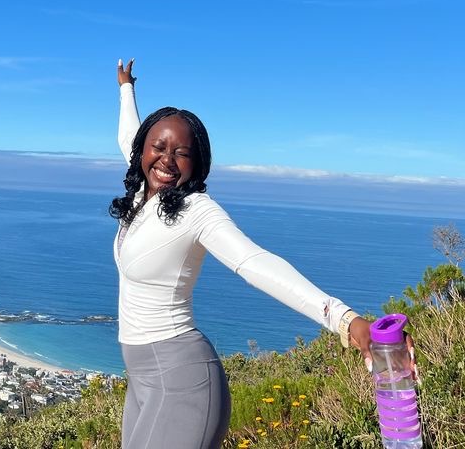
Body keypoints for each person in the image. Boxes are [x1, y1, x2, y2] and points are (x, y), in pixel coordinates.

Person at [111, 58, 375, 449]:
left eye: (181, 152)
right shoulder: (141, 195)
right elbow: (129, 136)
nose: (167, 159)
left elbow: (253, 263)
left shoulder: (196, 210)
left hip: (182, 377)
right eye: (159, 147)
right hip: (142, 377)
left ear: (197, 163)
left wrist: (343, 318)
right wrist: (126, 88)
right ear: (143, 151)